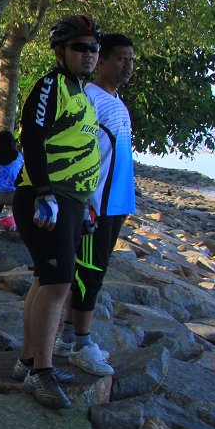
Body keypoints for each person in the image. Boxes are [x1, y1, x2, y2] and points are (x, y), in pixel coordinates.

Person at [10, 15, 102, 409]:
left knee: (44, 279)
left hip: (70, 201)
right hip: (47, 198)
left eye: (94, 48)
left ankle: (29, 361)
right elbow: (31, 134)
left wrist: (83, 206)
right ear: (61, 52)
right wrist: (46, 192)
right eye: (80, 48)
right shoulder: (51, 85)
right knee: (58, 284)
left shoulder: (79, 90)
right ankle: (41, 375)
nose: (89, 55)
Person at [54, 34, 137, 375]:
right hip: (95, 204)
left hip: (116, 203)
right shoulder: (90, 98)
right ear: (101, 61)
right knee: (90, 273)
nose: (128, 65)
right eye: (121, 59)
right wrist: (85, 200)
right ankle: (82, 344)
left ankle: (69, 337)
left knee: (91, 270)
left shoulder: (118, 102)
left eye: (131, 60)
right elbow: (76, 151)